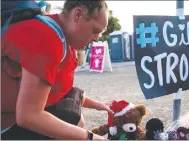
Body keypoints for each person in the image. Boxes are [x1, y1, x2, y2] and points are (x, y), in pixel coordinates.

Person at [1, 0, 112, 140]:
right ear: (77, 14)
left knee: (72, 110)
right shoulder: (48, 38)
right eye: (95, 31)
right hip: (6, 126)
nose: (96, 38)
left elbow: (63, 91)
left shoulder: (56, 32)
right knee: (70, 116)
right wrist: (91, 137)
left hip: (10, 117)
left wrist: (98, 105)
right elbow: (29, 116)